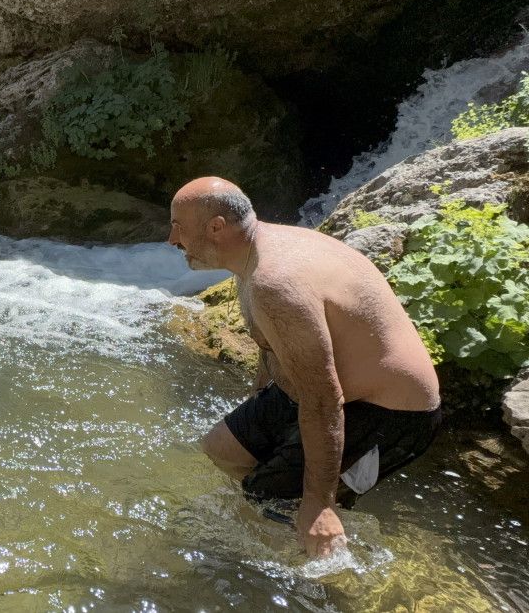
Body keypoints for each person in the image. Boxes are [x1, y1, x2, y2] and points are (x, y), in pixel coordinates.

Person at [168, 177, 441, 557]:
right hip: (318, 389)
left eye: (178, 227)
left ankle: (322, 561)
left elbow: (324, 399)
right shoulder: (254, 253)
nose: (171, 240)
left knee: (265, 500)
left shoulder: (275, 282)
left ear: (216, 227)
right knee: (224, 449)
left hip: (390, 412)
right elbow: (274, 346)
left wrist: (320, 501)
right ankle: (288, 516)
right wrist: (259, 396)